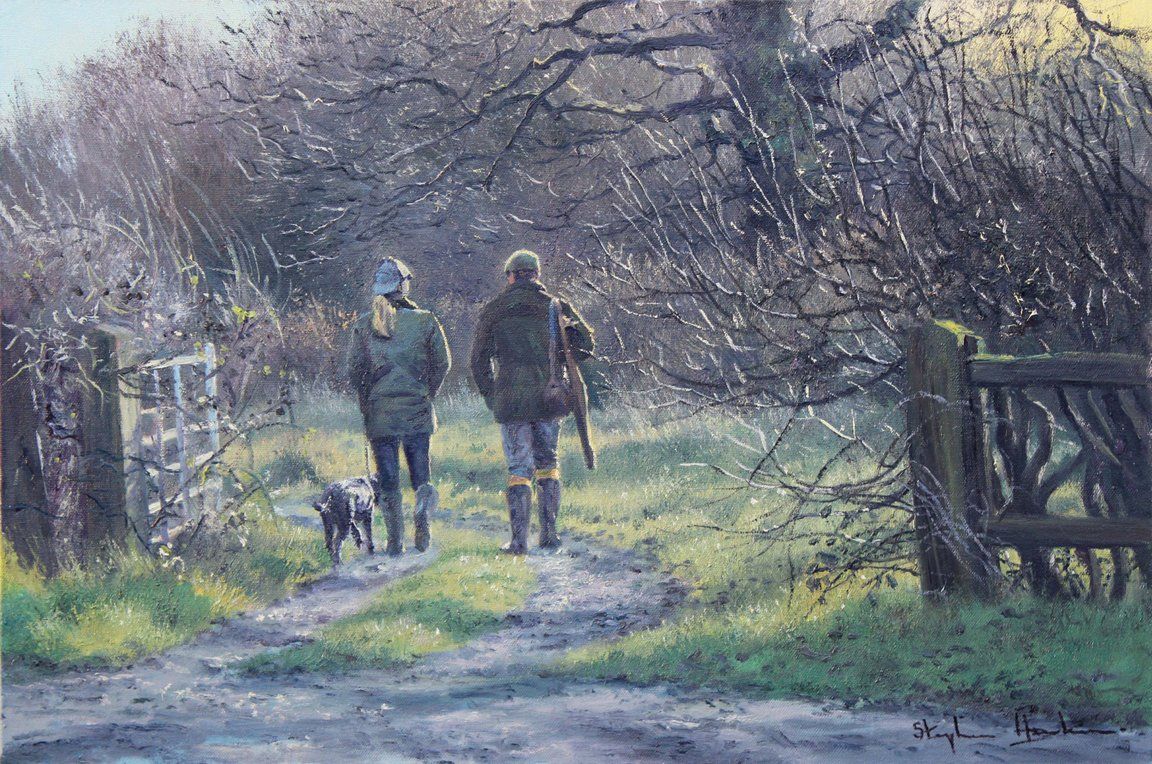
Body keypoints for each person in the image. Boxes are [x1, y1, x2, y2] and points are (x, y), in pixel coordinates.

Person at [469, 249, 594, 554]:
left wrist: (492, 395)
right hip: (550, 399)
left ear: (510, 277)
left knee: (518, 468)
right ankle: (549, 535)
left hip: (511, 401)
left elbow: (478, 361)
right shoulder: (556, 305)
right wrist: (563, 347)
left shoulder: (495, 309)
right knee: (548, 464)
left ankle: (518, 541)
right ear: (537, 275)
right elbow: (586, 346)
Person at [347, 257, 451, 555]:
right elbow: (443, 364)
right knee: (421, 475)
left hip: (380, 413)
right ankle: (422, 516)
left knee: (389, 479)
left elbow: (355, 371)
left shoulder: (363, 324)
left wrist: (369, 401)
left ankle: (395, 543)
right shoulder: (426, 321)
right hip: (417, 408)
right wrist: (427, 392)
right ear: (403, 286)